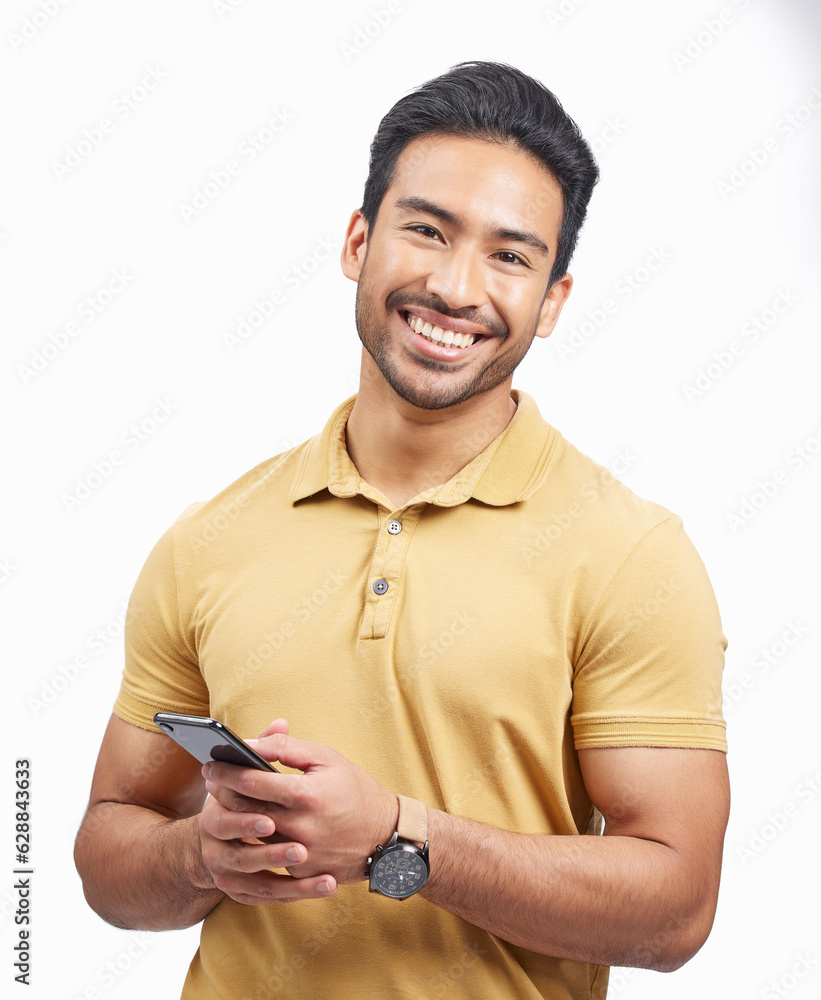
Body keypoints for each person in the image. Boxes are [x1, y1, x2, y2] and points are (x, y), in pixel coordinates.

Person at [74, 61, 729, 1000]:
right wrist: (198, 856)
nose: (455, 286)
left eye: (509, 256)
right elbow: (107, 856)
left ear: (551, 302)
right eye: (426, 230)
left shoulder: (631, 554)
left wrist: (396, 837)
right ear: (357, 240)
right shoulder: (208, 538)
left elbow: (676, 913)